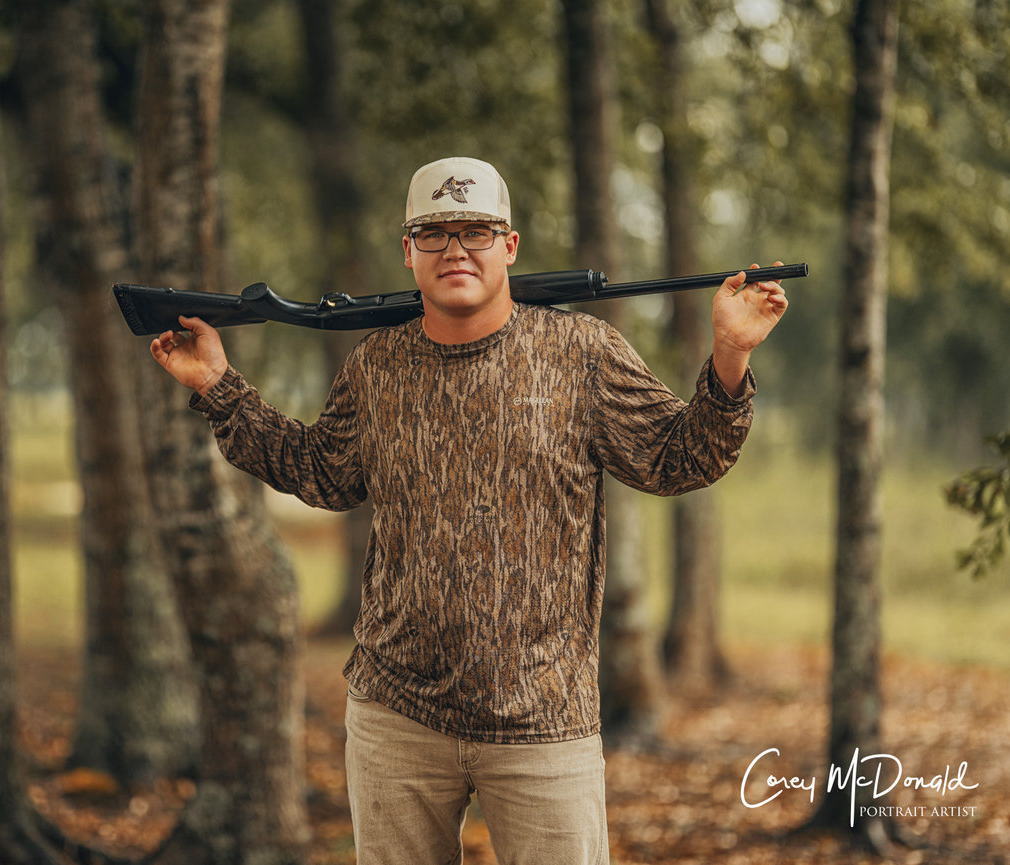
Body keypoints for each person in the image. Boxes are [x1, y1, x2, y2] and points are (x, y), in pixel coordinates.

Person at [150, 156, 788, 865]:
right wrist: (216, 383)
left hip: (546, 720)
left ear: (508, 245)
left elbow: (680, 457)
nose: (456, 249)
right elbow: (319, 472)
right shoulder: (376, 366)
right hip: (396, 716)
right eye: (435, 233)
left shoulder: (583, 354)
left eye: (476, 231)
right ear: (409, 251)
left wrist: (729, 355)